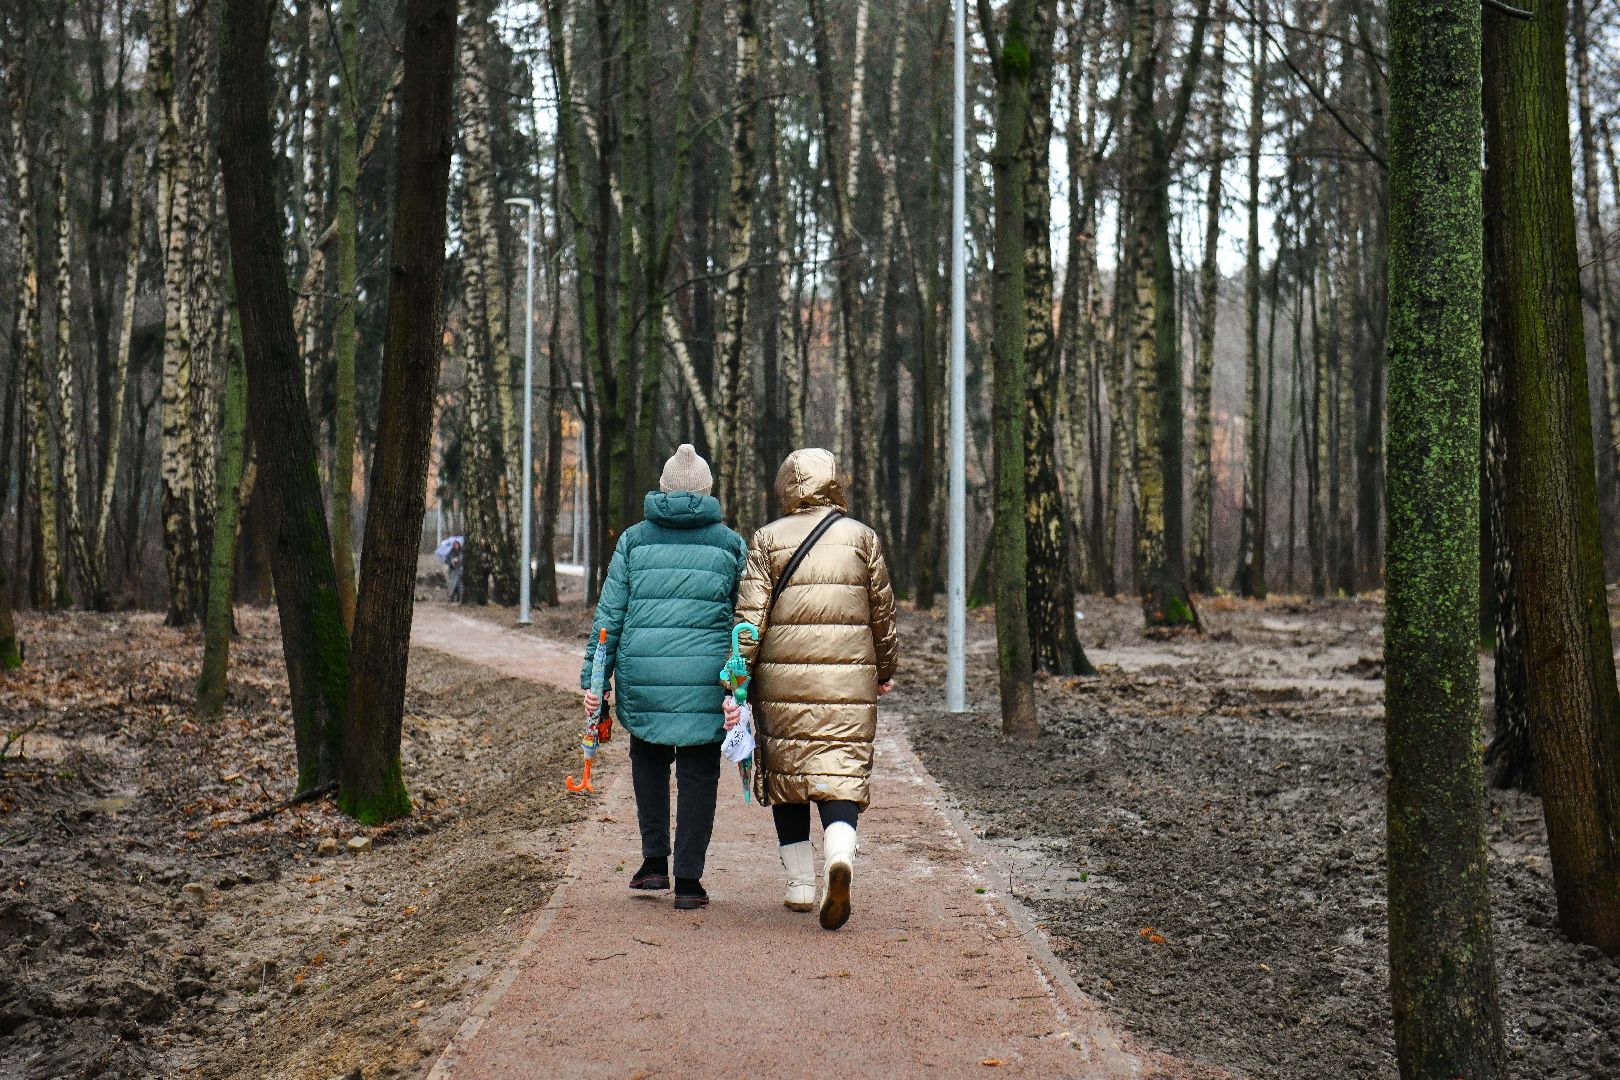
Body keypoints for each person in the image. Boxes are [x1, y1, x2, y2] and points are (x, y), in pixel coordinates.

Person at [727, 448, 898, 931]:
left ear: (785, 487)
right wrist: (884, 667)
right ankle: (840, 855)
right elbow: (881, 613)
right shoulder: (862, 537)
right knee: (839, 767)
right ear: (834, 483)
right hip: (849, 677)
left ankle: (801, 883)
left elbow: (749, 620)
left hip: (781, 679)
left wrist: (738, 676)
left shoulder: (766, 539)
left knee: (788, 773)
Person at [581, 444, 747, 910]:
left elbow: (609, 615)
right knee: (699, 772)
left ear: (662, 488)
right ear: (707, 491)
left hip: (644, 669)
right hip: (705, 674)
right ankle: (689, 881)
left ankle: (653, 862)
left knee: (649, 758)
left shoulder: (634, 540)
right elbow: (747, 619)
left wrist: (594, 681)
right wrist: (744, 683)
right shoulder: (731, 544)